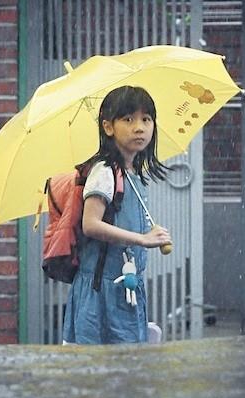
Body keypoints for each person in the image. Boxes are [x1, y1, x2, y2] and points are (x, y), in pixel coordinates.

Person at [61, 86, 172, 345]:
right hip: (101, 290)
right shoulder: (104, 171)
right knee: (102, 370)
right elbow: (91, 224)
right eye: (128, 119)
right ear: (108, 127)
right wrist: (142, 239)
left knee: (127, 368)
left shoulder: (131, 172)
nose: (139, 127)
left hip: (125, 288)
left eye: (146, 119)